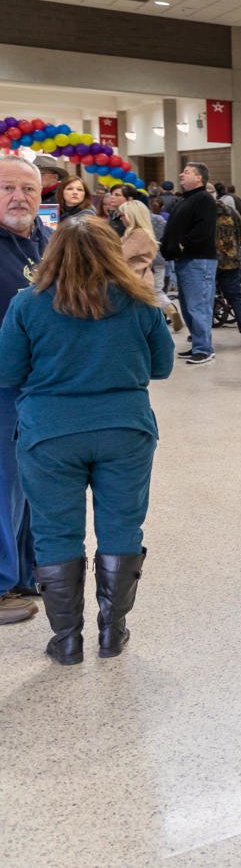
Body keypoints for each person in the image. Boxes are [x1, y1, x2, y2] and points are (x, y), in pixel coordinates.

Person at [0, 215, 173, 664]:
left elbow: (6, 373)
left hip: (49, 433)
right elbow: (162, 367)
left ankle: (68, 640)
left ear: (52, 253)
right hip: (125, 429)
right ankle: (112, 633)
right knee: (121, 526)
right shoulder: (141, 302)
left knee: (56, 531)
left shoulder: (27, 304)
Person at [0, 156, 50, 626]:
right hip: (1, 387)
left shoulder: (48, 242)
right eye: (7, 188)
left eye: (28, 189)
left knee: (32, 484)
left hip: (42, 388)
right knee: (2, 486)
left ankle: (27, 570)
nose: (19, 198)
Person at [160, 161, 220, 365]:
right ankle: (197, 343)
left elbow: (203, 230)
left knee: (199, 304)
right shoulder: (186, 199)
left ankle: (204, 348)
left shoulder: (203, 199)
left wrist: (183, 244)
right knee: (187, 305)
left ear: (199, 178)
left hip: (198, 259)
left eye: (186, 172)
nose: (181, 174)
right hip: (185, 260)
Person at [117, 200, 180, 332]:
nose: (120, 218)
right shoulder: (135, 232)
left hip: (136, 281)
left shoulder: (138, 234)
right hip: (138, 280)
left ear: (132, 215)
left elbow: (121, 255)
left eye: (122, 215)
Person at [213, 195, 241, 348]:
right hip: (231, 261)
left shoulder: (206, 212)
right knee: (236, 297)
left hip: (212, 261)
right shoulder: (232, 212)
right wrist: (234, 249)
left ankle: (200, 334)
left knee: (205, 297)